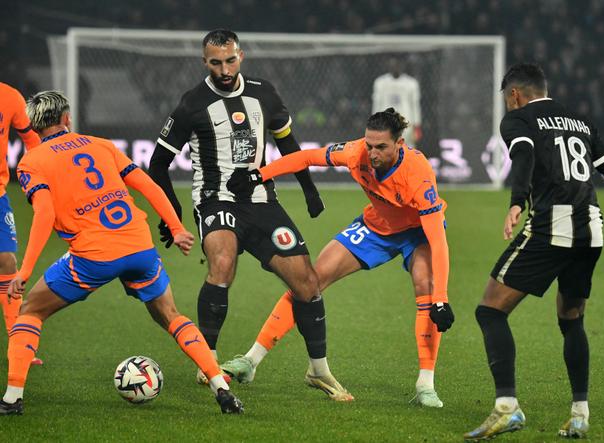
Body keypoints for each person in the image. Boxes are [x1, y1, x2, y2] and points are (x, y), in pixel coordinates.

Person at [0, 90, 243, 416]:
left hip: (92, 256)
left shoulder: (31, 162)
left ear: (32, 125)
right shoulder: (101, 145)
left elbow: (43, 214)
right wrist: (176, 227)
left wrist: (26, 271)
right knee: (171, 316)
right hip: (140, 247)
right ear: (67, 119)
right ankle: (221, 388)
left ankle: (12, 398)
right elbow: (148, 186)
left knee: (30, 311)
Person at [148, 29, 352, 401]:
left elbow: (288, 144)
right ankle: (206, 356)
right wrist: (172, 215)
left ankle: (318, 370)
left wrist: (309, 189)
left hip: (262, 201)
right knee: (222, 263)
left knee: (307, 283)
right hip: (215, 199)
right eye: (215, 62)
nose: (224, 69)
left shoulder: (265, 93)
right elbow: (158, 163)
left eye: (230, 60)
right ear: (204, 62)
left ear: (241, 55)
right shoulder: (192, 103)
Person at [463, 63, 604, 440]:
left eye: (507, 98)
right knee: (571, 319)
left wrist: (518, 200)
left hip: (553, 226)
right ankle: (580, 413)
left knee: (489, 311)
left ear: (515, 94)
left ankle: (506, 408)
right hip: (592, 228)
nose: (507, 104)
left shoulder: (519, 120)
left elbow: (523, 158)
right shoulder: (579, 122)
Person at [224, 108, 455, 406]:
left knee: (426, 286)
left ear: (400, 143)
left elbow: (438, 241)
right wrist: (259, 175)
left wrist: (442, 298)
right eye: (369, 145)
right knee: (309, 281)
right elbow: (307, 158)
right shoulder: (355, 152)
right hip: (375, 228)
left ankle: (425, 385)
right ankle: (251, 360)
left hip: (417, 232)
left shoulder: (419, 175)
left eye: (381, 147)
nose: (372, 153)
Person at [0, 82, 43, 366]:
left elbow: (32, 141)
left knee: (7, 262)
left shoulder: (10, 96)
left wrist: (41, 168)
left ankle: (17, 344)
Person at [372, 58, 422, 147]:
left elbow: (415, 105)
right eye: (393, 64)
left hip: (406, 122)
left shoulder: (411, 83)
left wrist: (417, 126)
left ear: (403, 66)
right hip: (385, 122)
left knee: (408, 149)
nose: (395, 67)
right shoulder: (380, 83)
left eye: (398, 64)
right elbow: (376, 105)